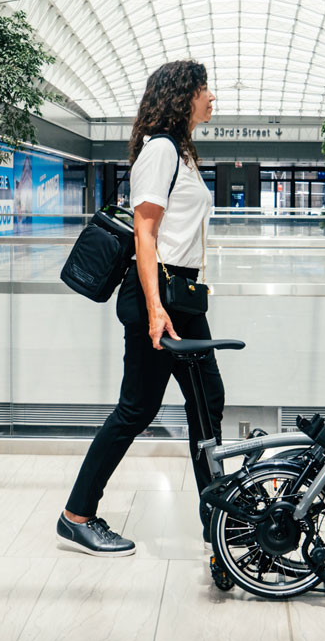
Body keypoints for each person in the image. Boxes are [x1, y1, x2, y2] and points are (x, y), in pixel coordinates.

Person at [59, 60, 218, 557]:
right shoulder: (161, 150)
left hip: (181, 295)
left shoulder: (182, 152)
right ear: (182, 94)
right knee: (138, 408)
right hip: (162, 297)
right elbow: (146, 235)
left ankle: (220, 520)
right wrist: (154, 309)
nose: (212, 96)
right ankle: (76, 515)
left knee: (207, 403)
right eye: (204, 88)